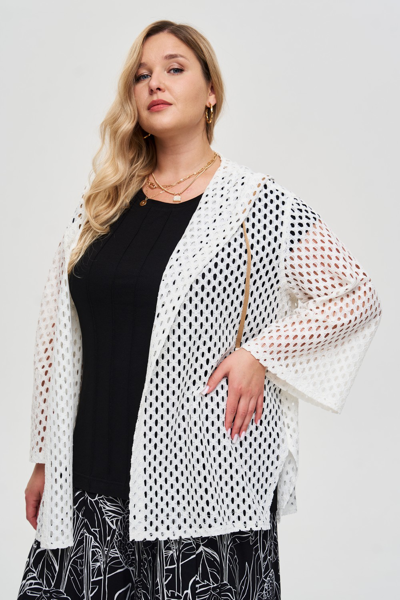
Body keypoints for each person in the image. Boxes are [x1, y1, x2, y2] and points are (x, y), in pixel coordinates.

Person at [17, 19, 382, 600]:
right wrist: (45, 460)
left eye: (174, 68)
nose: (155, 83)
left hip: (202, 492)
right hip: (90, 487)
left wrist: (262, 354)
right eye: (141, 76)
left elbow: (355, 293)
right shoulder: (102, 207)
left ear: (211, 91)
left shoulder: (257, 203)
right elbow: (58, 343)